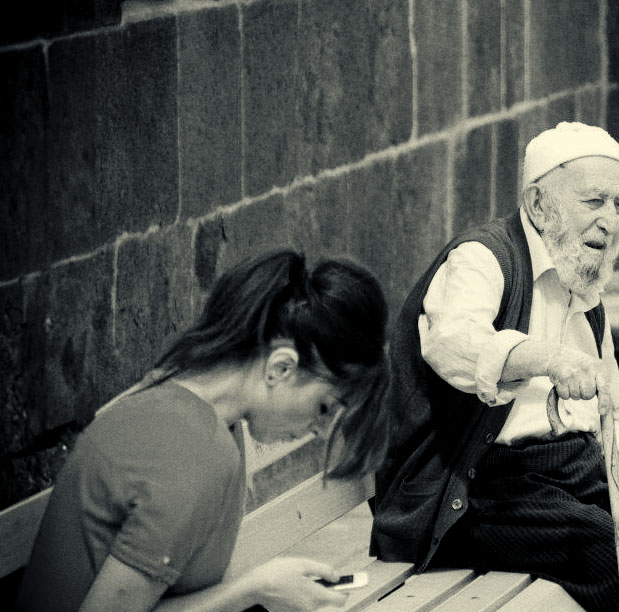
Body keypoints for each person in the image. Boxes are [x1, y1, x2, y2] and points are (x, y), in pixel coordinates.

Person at [370, 122, 619, 611]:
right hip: (474, 493)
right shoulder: (482, 258)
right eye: (593, 201)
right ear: (539, 204)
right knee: (618, 553)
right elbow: (453, 342)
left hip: (572, 477)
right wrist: (546, 358)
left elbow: (611, 412)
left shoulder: (584, 285)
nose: (610, 222)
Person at [16, 248, 391, 612]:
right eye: (324, 407)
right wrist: (255, 590)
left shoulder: (184, 399)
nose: (321, 431)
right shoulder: (196, 451)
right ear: (280, 368)